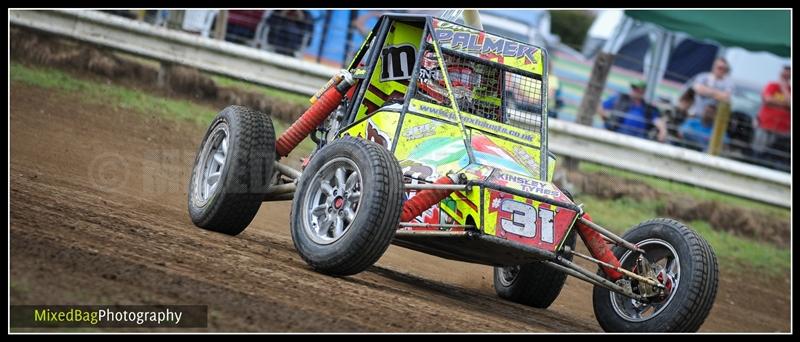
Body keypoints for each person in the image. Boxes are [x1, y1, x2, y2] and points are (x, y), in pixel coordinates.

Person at [598, 80, 667, 142]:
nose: (634, 91)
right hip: (618, 135)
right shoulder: (620, 99)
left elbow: (658, 121)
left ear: (643, 91)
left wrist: (662, 131)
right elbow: (601, 106)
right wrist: (604, 119)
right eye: (633, 89)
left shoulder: (648, 108)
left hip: (639, 139)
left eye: (637, 89)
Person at [753, 65, 791, 167]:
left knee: (775, 156)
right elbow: (767, 99)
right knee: (758, 151)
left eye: (788, 74)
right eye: (784, 73)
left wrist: (784, 88)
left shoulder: (790, 89)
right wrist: (785, 104)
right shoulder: (771, 85)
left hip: (783, 130)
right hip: (765, 125)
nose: (785, 76)